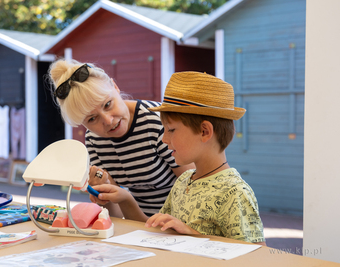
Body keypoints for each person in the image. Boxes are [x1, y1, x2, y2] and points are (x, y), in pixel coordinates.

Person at [90, 71, 266, 245]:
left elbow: (256, 255)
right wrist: (125, 198)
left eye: (171, 130)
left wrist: (193, 234)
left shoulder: (234, 192)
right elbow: (153, 229)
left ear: (204, 132)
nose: (164, 139)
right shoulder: (183, 181)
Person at [48, 59, 194, 217]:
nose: (108, 120)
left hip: (184, 221)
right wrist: (103, 195)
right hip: (141, 224)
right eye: (92, 119)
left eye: (108, 104)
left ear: (115, 87)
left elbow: (195, 186)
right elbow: (116, 217)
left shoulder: (157, 122)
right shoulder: (94, 140)